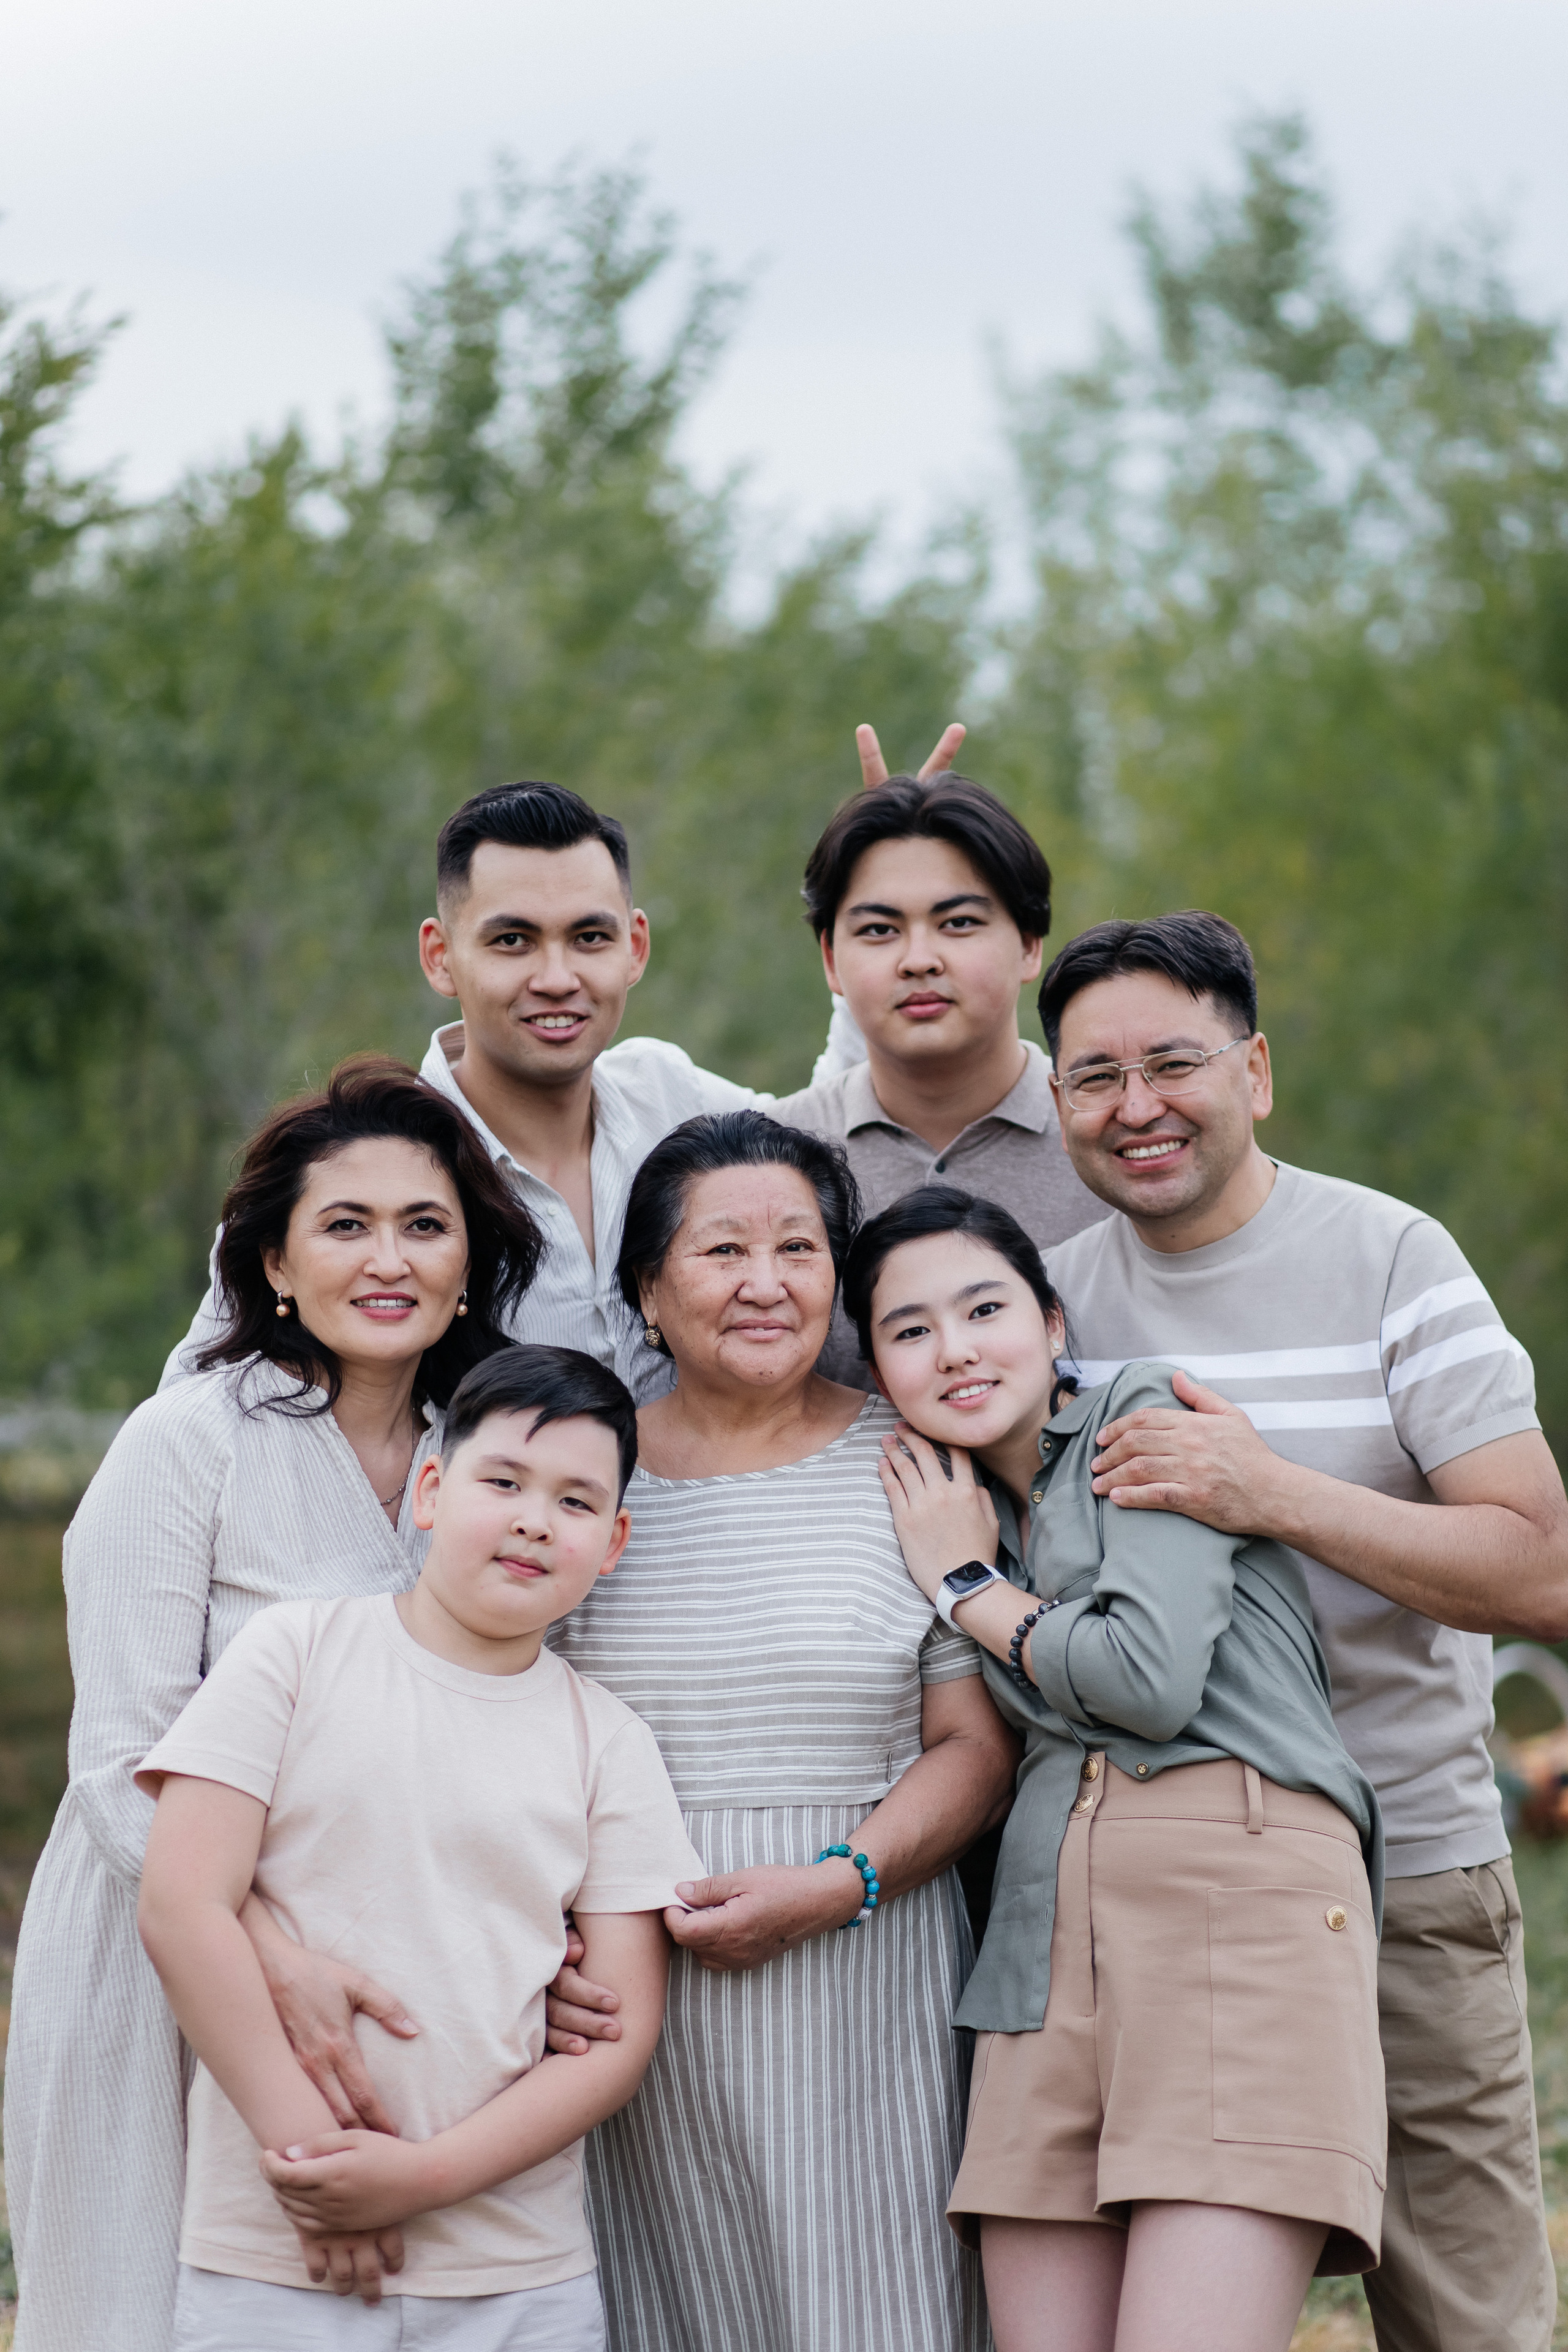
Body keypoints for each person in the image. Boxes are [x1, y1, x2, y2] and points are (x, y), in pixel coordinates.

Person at [1035, 910, 1568, 2352]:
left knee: (1467, 2319)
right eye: (1091, 1076)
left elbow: (1539, 1571)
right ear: (1053, 1100)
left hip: (1403, 1868)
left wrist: (1266, 1489)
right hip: (1140, 1903)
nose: (1133, 1105)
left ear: (1254, 1069)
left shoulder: (1390, 1255)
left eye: (1170, 1062)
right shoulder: (1044, 1303)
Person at [3, 1058, 544, 2352]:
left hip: (403, 1956)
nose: (388, 1259)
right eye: (344, 1226)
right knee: (150, 2304)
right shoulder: (186, 1441)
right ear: (272, 1267)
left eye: (424, 1226)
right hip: (174, 1949)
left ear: (469, 1264)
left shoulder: (486, 1464)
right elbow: (121, 1757)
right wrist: (267, 1957)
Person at [842, 1186, 1386, 2352]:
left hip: (1233, 1903)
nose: (955, 1350)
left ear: (1051, 1324)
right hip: (1043, 1948)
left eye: (984, 1308)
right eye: (909, 1329)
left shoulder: (1142, 1417)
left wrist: (969, 1588)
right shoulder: (950, 1502)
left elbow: (1147, 1679)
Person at [546, 1110, 1018, 2352]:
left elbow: (970, 1747)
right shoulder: (581, 1476)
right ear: (646, 1288)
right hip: (625, 1995)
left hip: (866, 1968)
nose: (764, 1284)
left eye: (799, 1249)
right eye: (720, 1253)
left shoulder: (912, 1467)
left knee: (875, 2302)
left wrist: (835, 1882)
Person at [137, 1344, 703, 2351]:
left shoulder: (608, 1740)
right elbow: (183, 1905)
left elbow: (620, 2031)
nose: (535, 1518)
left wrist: (426, 2178)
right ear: (433, 1491)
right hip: (277, 2251)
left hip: (516, 2269)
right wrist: (313, 2163)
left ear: (612, 1543)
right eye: (504, 1481)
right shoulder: (296, 1653)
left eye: (576, 1504)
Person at [163, 728, 967, 1403]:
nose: (557, 977)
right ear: (440, 958)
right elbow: (195, 1407)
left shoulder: (669, 1097)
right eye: (512, 941)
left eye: (589, 938)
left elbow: (826, 1126)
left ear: (635, 947)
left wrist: (883, 893)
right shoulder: (354, 1177)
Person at [773, 764, 1106, 1387]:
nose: (919, 960)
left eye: (958, 924)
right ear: (830, 959)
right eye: (878, 930)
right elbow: (681, 1358)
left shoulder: (1112, 1138)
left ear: (1030, 943)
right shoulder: (772, 1158)